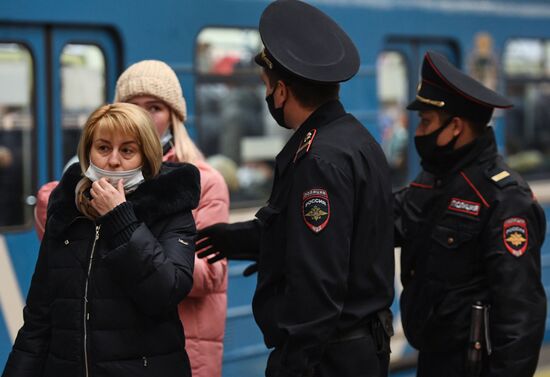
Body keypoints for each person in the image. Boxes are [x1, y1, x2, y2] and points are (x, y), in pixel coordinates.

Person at [197, 1, 395, 376]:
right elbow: (303, 233)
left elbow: (318, 281)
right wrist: (233, 239)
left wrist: (295, 364)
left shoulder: (318, 160)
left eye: (267, 87)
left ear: (283, 91)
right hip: (356, 349)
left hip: (328, 359)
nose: (267, 96)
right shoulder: (355, 140)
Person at [34, 60, 230, 377]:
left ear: (173, 117)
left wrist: (135, 238)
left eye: (155, 107)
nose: (143, 116)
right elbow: (60, 263)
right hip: (105, 345)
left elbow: (210, 272)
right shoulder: (89, 174)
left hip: (185, 342)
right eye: (132, 106)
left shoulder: (202, 180)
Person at [2, 103, 200, 377]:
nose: (114, 160)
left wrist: (120, 217)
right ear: (88, 153)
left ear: (146, 156)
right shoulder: (66, 210)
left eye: (128, 150)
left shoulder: (170, 210)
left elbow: (166, 291)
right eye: (103, 148)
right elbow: (39, 317)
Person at [393, 51, 547, 377]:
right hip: (432, 358)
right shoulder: (432, 181)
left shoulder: (505, 200)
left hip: (474, 367)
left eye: (426, 122)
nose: (418, 133)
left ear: (456, 127)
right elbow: (385, 218)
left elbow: (520, 316)